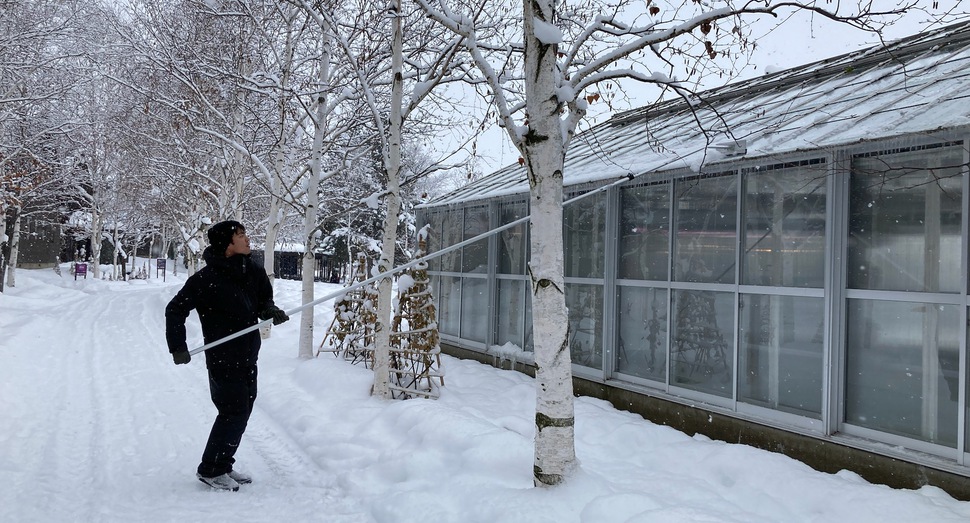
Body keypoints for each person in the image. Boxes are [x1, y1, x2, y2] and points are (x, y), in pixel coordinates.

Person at [165, 220, 289, 491]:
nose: (247, 239)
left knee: (242, 411)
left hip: (248, 353)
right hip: (222, 356)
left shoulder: (253, 271)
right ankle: (210, 469)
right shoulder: (205, 279)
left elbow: (262, 301)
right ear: (227, 244)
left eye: (245, 233)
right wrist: (178, 346)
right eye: (241, 235)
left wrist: (269, 311)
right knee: (233, 411)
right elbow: (175, 310)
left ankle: (222, 464)